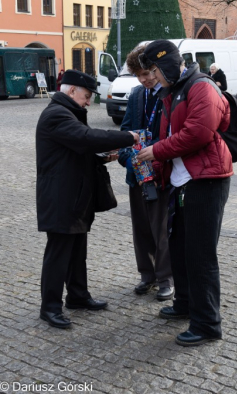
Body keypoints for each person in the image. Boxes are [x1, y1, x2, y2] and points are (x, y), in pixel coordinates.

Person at [137, 40, 233, 347]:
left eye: (153, 70)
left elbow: (198, 132)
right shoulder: (174, 90)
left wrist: (156, 152)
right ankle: (185, 304)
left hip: (206, 180)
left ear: (165, 65)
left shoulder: (200, 86)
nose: (151, 77)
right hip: (183, 181)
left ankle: (207, 324)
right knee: (179, 247)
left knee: (200, 254)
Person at [36, 69, 139, 329]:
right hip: (61, 198)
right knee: (58, 254)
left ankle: (78, 296)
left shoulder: (67, 112)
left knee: (77, 251)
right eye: (86, 96)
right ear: (71, 91)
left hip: (75, 195)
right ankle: (49, 308)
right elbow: (85, 138)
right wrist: (128, 136)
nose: (88, 102)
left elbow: (77, 150)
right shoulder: (57, 114)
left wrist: (104, 156)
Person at [118, 45, 174, 301]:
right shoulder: (137, 95)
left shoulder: (170, 93)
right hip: (137, 173)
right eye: (139, 75)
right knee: (140, 227)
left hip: (162, 172)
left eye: (147, 73)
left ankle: (166, 278)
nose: (144, 79)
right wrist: (127, 158)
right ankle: (147, 275)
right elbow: (125, 130)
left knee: (161, 228)